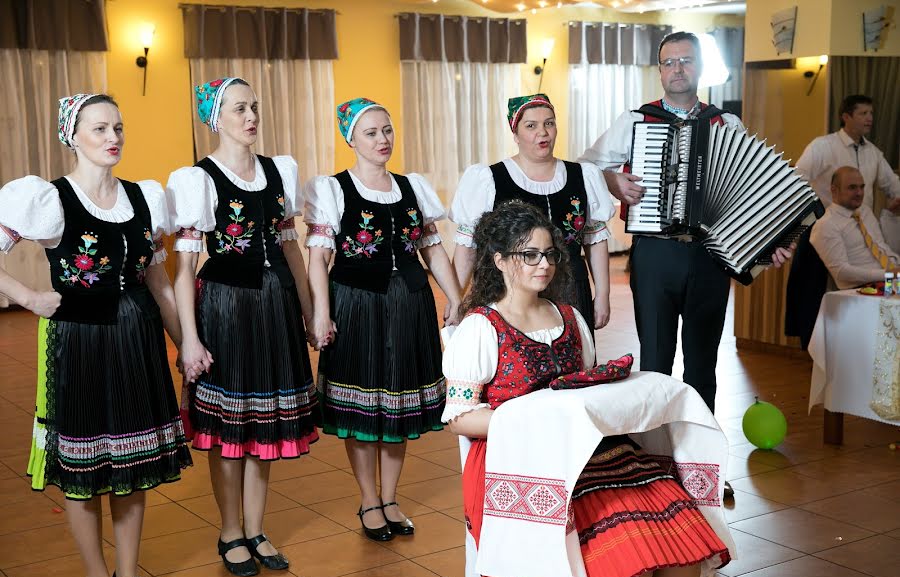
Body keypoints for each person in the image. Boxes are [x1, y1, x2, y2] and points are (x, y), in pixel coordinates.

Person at [442, 202, 730, 577]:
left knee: (685, 538)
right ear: (501, 261)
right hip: (517, 458)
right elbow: (458, 418)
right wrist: (537, 420)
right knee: (631, 556)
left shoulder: (571, 319)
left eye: (550, 254)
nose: (544, 264)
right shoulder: (480, 327)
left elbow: (586, 393)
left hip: (587, 450)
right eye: (530, 255)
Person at [578, 33, 791, 501]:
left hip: (710, 256)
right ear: (660, 71)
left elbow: (750, 188)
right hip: (655, 252)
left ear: (699, 68)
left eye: (685, 61)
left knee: (702, 365)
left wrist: (768, 242)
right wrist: (616, 181)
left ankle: (704, 467)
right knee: (654, 362)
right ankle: (653, 466)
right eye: (668, 62)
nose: (677, 69)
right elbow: (588, 167)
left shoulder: (725, 122)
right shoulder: (637, 120)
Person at [0, 94, 192, 577]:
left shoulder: (143, 197)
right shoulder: (48, 199)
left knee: (131, 464)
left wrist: (184, 341)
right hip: (78, 342)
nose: (113, 138)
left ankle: (129, 573)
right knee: (86, 468)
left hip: (136, 337)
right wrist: (27, 297)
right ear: (73, 137)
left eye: (119, 128)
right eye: (100, 128)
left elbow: (158, 278)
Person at [168, 78, 318, 577]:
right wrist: (189, 338)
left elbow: (291, 248)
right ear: (217, 117)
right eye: (239, 108)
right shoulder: (199, 180)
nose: (251, 115)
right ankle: (230, 529)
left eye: (254, 106)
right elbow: (185, 269)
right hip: (226, 308)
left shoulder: (279, 171)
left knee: (265, 423)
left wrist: (311, 309)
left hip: (275, 308)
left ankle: (256, 526)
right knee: (231, 426)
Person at [304, 97, 462, 542]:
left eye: (387, 130)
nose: (382, 140)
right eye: (371, 133)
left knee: (399, 406)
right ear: (351, 139)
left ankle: (391, 498)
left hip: (409, 303)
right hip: (356, 302)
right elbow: (318, 260)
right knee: (363, 408)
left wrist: (454, 296)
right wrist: (321, 313)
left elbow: (432, 249)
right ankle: (369, 500)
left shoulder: (413, 187)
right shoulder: (333, 189)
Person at [451, 93, 615, 331]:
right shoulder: (489, 179)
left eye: (549, 123)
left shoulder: (584, 176)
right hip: (511, 296)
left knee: (574, 362)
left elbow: (595, 240)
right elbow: (467, 246)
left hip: (571, 291)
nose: (543, 132)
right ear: (515, 134)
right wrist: (456, 298)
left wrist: (603, 294)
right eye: (531, 125)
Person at [795, 94, 900, 253]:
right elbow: (797, 180)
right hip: (822, 228)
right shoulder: (822, 146)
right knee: (811, 278)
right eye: (863, 113)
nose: (869, 118)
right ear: (846, 117)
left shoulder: (873, 152)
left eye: (871, 113)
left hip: (859, 232)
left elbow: (893, 184)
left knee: (885, 272)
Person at [810, 166, 899, 289]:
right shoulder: (825, 225)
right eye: (852, 187)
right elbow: (841, 272)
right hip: (864, 290)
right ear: (834, 190)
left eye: (862, 187)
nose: (859, 193)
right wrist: (887, 274)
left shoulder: (865, 211)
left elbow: (881, 246)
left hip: (891, 282)